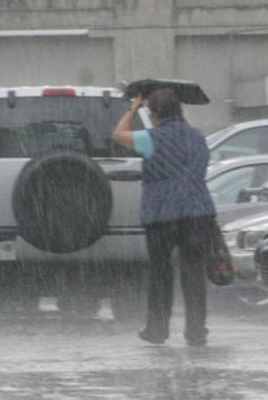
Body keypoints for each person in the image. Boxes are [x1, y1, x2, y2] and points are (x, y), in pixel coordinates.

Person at [112, 88, 217, 346]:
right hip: (197, 213)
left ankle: (157, 330)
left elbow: (117, 135)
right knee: (193, 274)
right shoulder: (198, 137)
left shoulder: (150, 138)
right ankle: (196, 331)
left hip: (161, 215)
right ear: (180, 111)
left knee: (161, 273)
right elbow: (188, 145)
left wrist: (132, 109)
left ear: (153, 113)